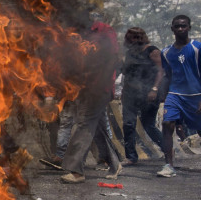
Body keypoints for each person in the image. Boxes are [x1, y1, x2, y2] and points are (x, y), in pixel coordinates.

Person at [60, 12, 122, 183]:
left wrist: (100, 85)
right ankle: (114, 162)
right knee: (97, 127)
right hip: (84, 87)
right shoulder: (76, 34)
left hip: (98, 87)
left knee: (84, 123)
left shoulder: (104, 31)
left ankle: (76, 171)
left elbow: (113, 59)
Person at [157, 15, 201, 178]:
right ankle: (168, 165)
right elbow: (168, 75)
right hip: (175, 95)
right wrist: (163, 95)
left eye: (183, 26)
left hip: (197, 95)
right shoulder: (166, 52)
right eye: (177, 26)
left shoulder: (197, 47)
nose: (180, 29)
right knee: (167, 124)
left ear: (189, 27)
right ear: (172, 29)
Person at [120, 27, 164, 166]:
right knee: (128, 124)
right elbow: (127, 73)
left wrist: (154, 89)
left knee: (148, 124)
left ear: (143, 37)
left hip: (148, 93)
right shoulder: (129, 53)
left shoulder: (152, 51)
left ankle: (167, 149)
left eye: (139, 37)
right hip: (130, 94)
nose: (136, 40)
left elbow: (160, 71)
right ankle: (131, 157)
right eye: (133, 37)